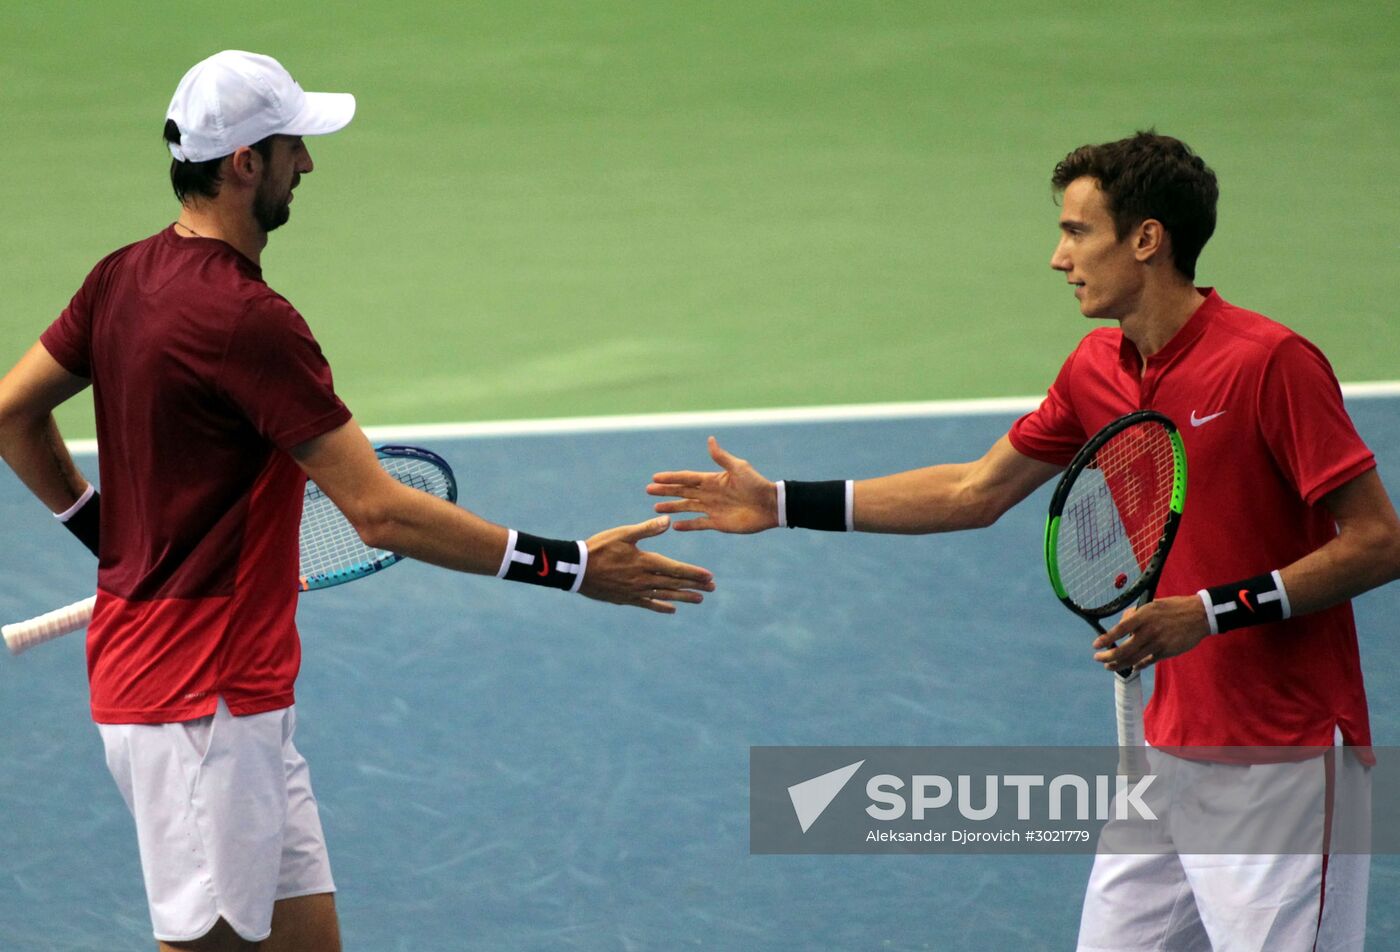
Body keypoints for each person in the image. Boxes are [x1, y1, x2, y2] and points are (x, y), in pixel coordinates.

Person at [0, 50, 714, 952]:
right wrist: (571, 567)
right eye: (294, 145)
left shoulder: (121, 277)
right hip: (198, 704)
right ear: (245, 163)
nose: (310, 163)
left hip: (230, 695)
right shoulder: (248, 323)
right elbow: (382, 511)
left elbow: (11, 413)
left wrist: (108, 537)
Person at [647, 131, 1400, 950]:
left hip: (1281, 764)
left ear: (1146, 239)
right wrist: (785, 501)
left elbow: (1377, 542)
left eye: (1077, 231)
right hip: (1169, 753)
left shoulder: (1270, 363)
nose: (1058, 256)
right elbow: (975, 490)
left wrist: (1211, 612)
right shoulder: (1094, 370)